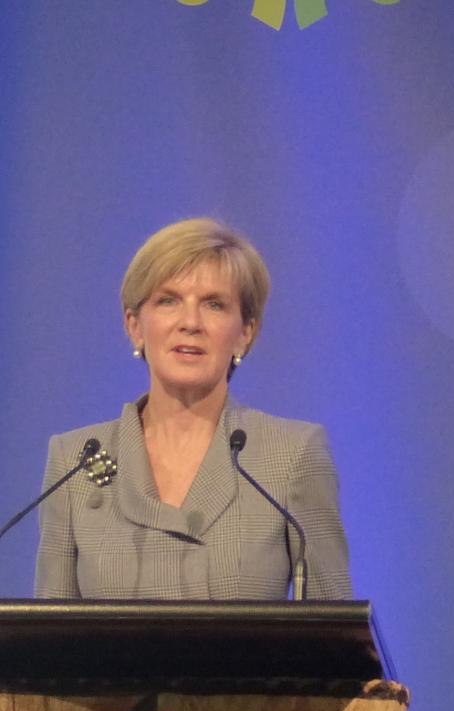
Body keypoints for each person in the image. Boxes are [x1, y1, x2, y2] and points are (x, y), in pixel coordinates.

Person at [34, 218, 351, 600]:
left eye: (214, 305)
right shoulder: (75, 462)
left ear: (245, 333)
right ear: (135, 326)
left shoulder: (291, 455)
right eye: (168, 300)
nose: (190, 323)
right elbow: (50, 646)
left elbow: (331, 640)